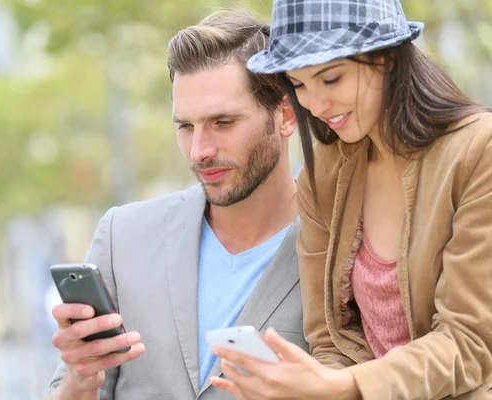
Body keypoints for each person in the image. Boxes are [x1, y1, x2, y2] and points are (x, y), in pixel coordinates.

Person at [210, 0, 492, 399]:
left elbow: (472, 343)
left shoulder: (479, 151)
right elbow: (330, 340)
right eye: (301, 84)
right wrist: (306, 387)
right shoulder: (324, 173)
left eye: (332, 78)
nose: (317, 105)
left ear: (388, 58)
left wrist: (346, 387)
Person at [46, 10, 309, 400]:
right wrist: (78, 381)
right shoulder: (124, 238)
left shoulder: (343, 244)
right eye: (185, 126)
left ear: (285, 114)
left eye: (223, 122)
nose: (199, 151)